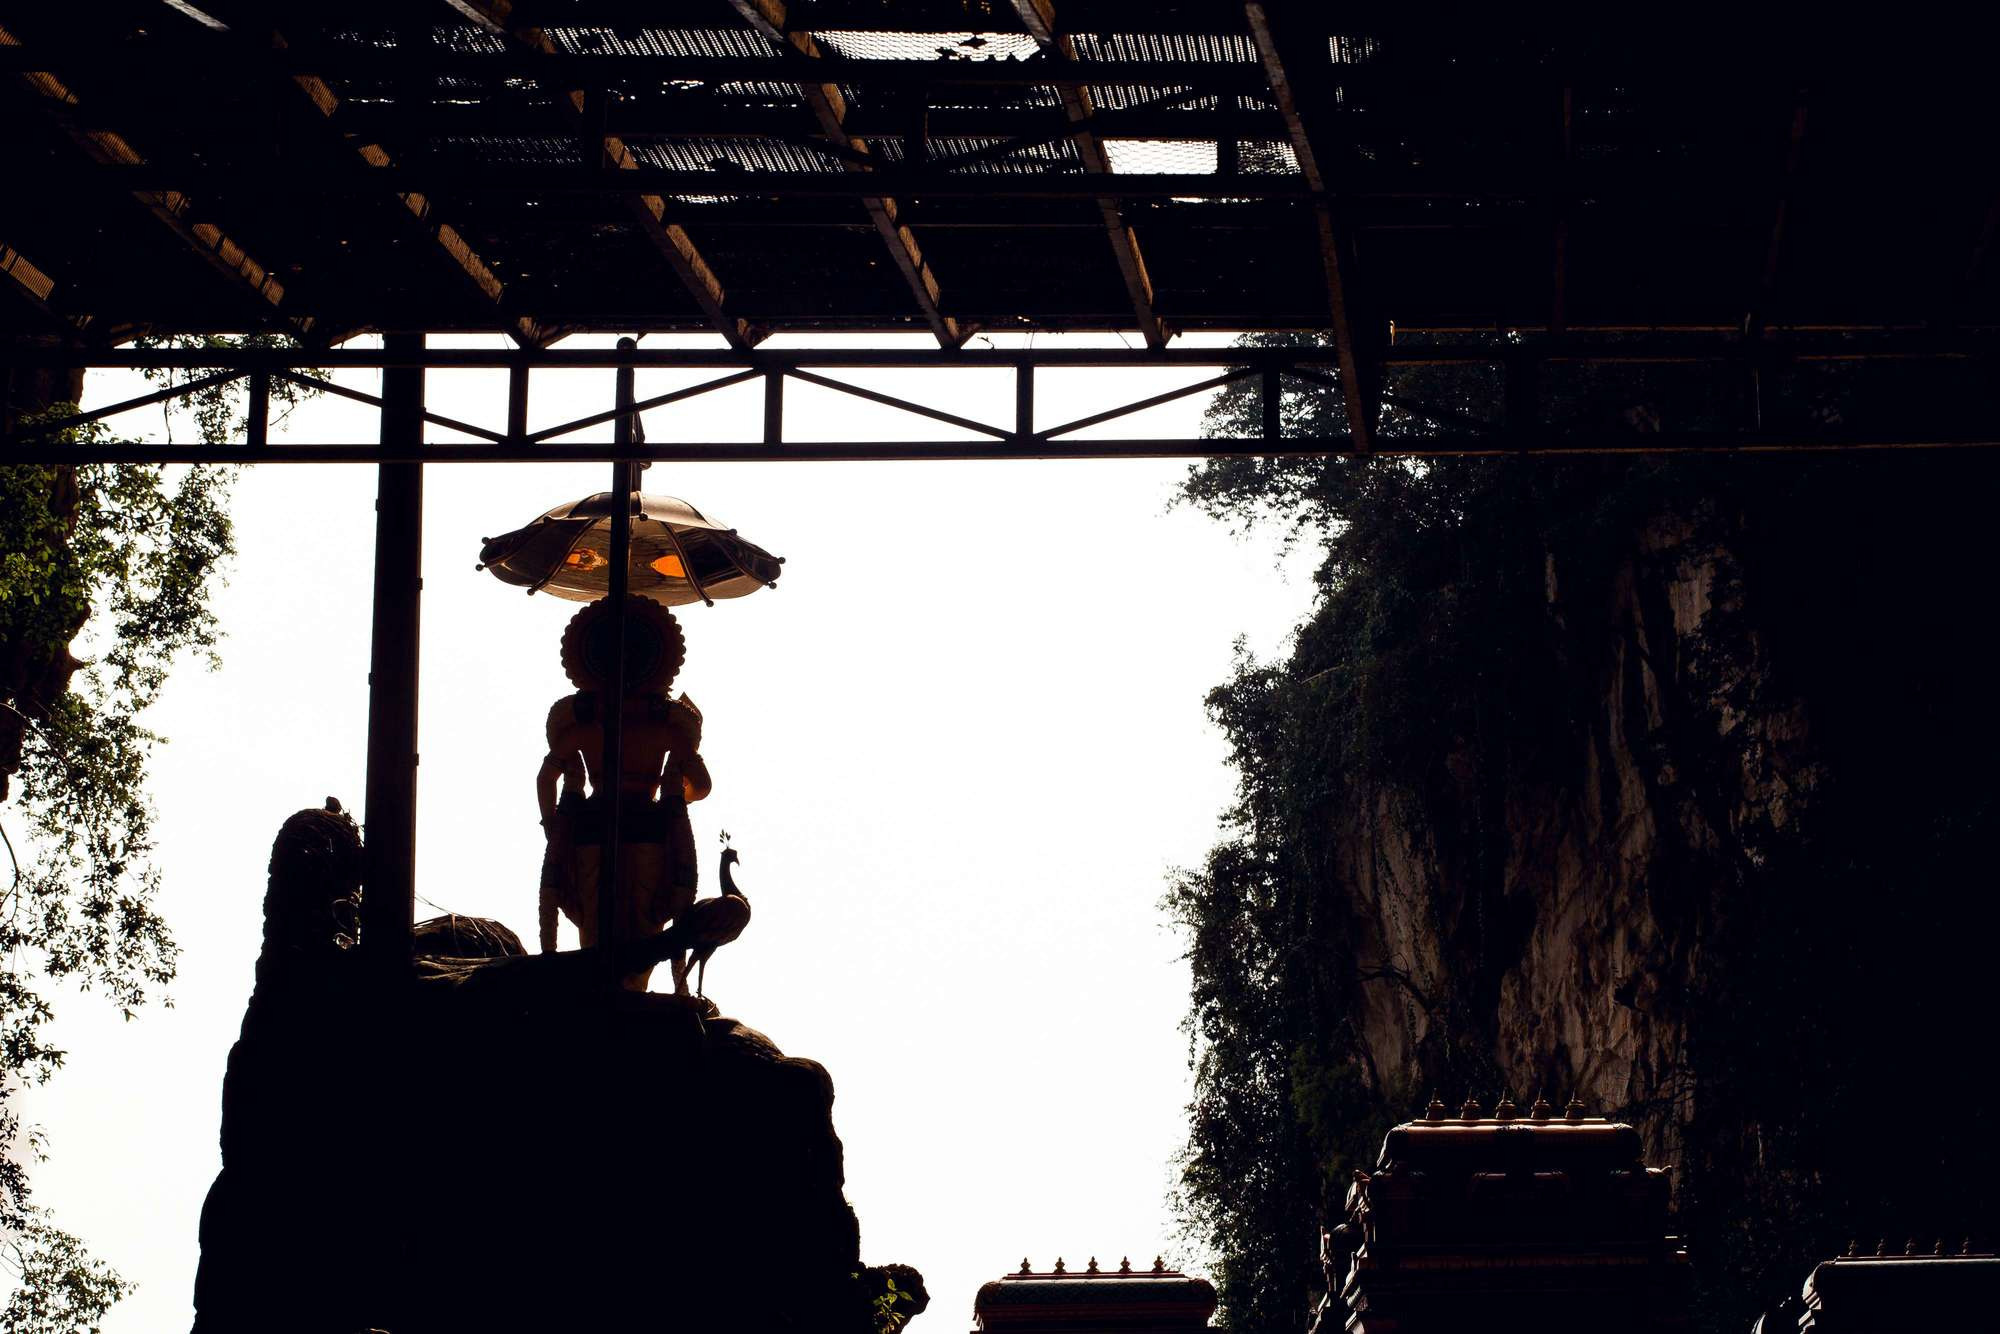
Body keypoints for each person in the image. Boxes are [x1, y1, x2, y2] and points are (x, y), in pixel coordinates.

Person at [537, 597, 711, 988]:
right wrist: (673, 794)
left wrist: (554, 822)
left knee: (608, 921)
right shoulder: (666, 731)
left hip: (593, 827)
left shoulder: (583, 729)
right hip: (643, 827)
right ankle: (635, 992)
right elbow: (702, 785)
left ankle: (610, 991)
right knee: (641, 920)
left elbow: (545, 778)